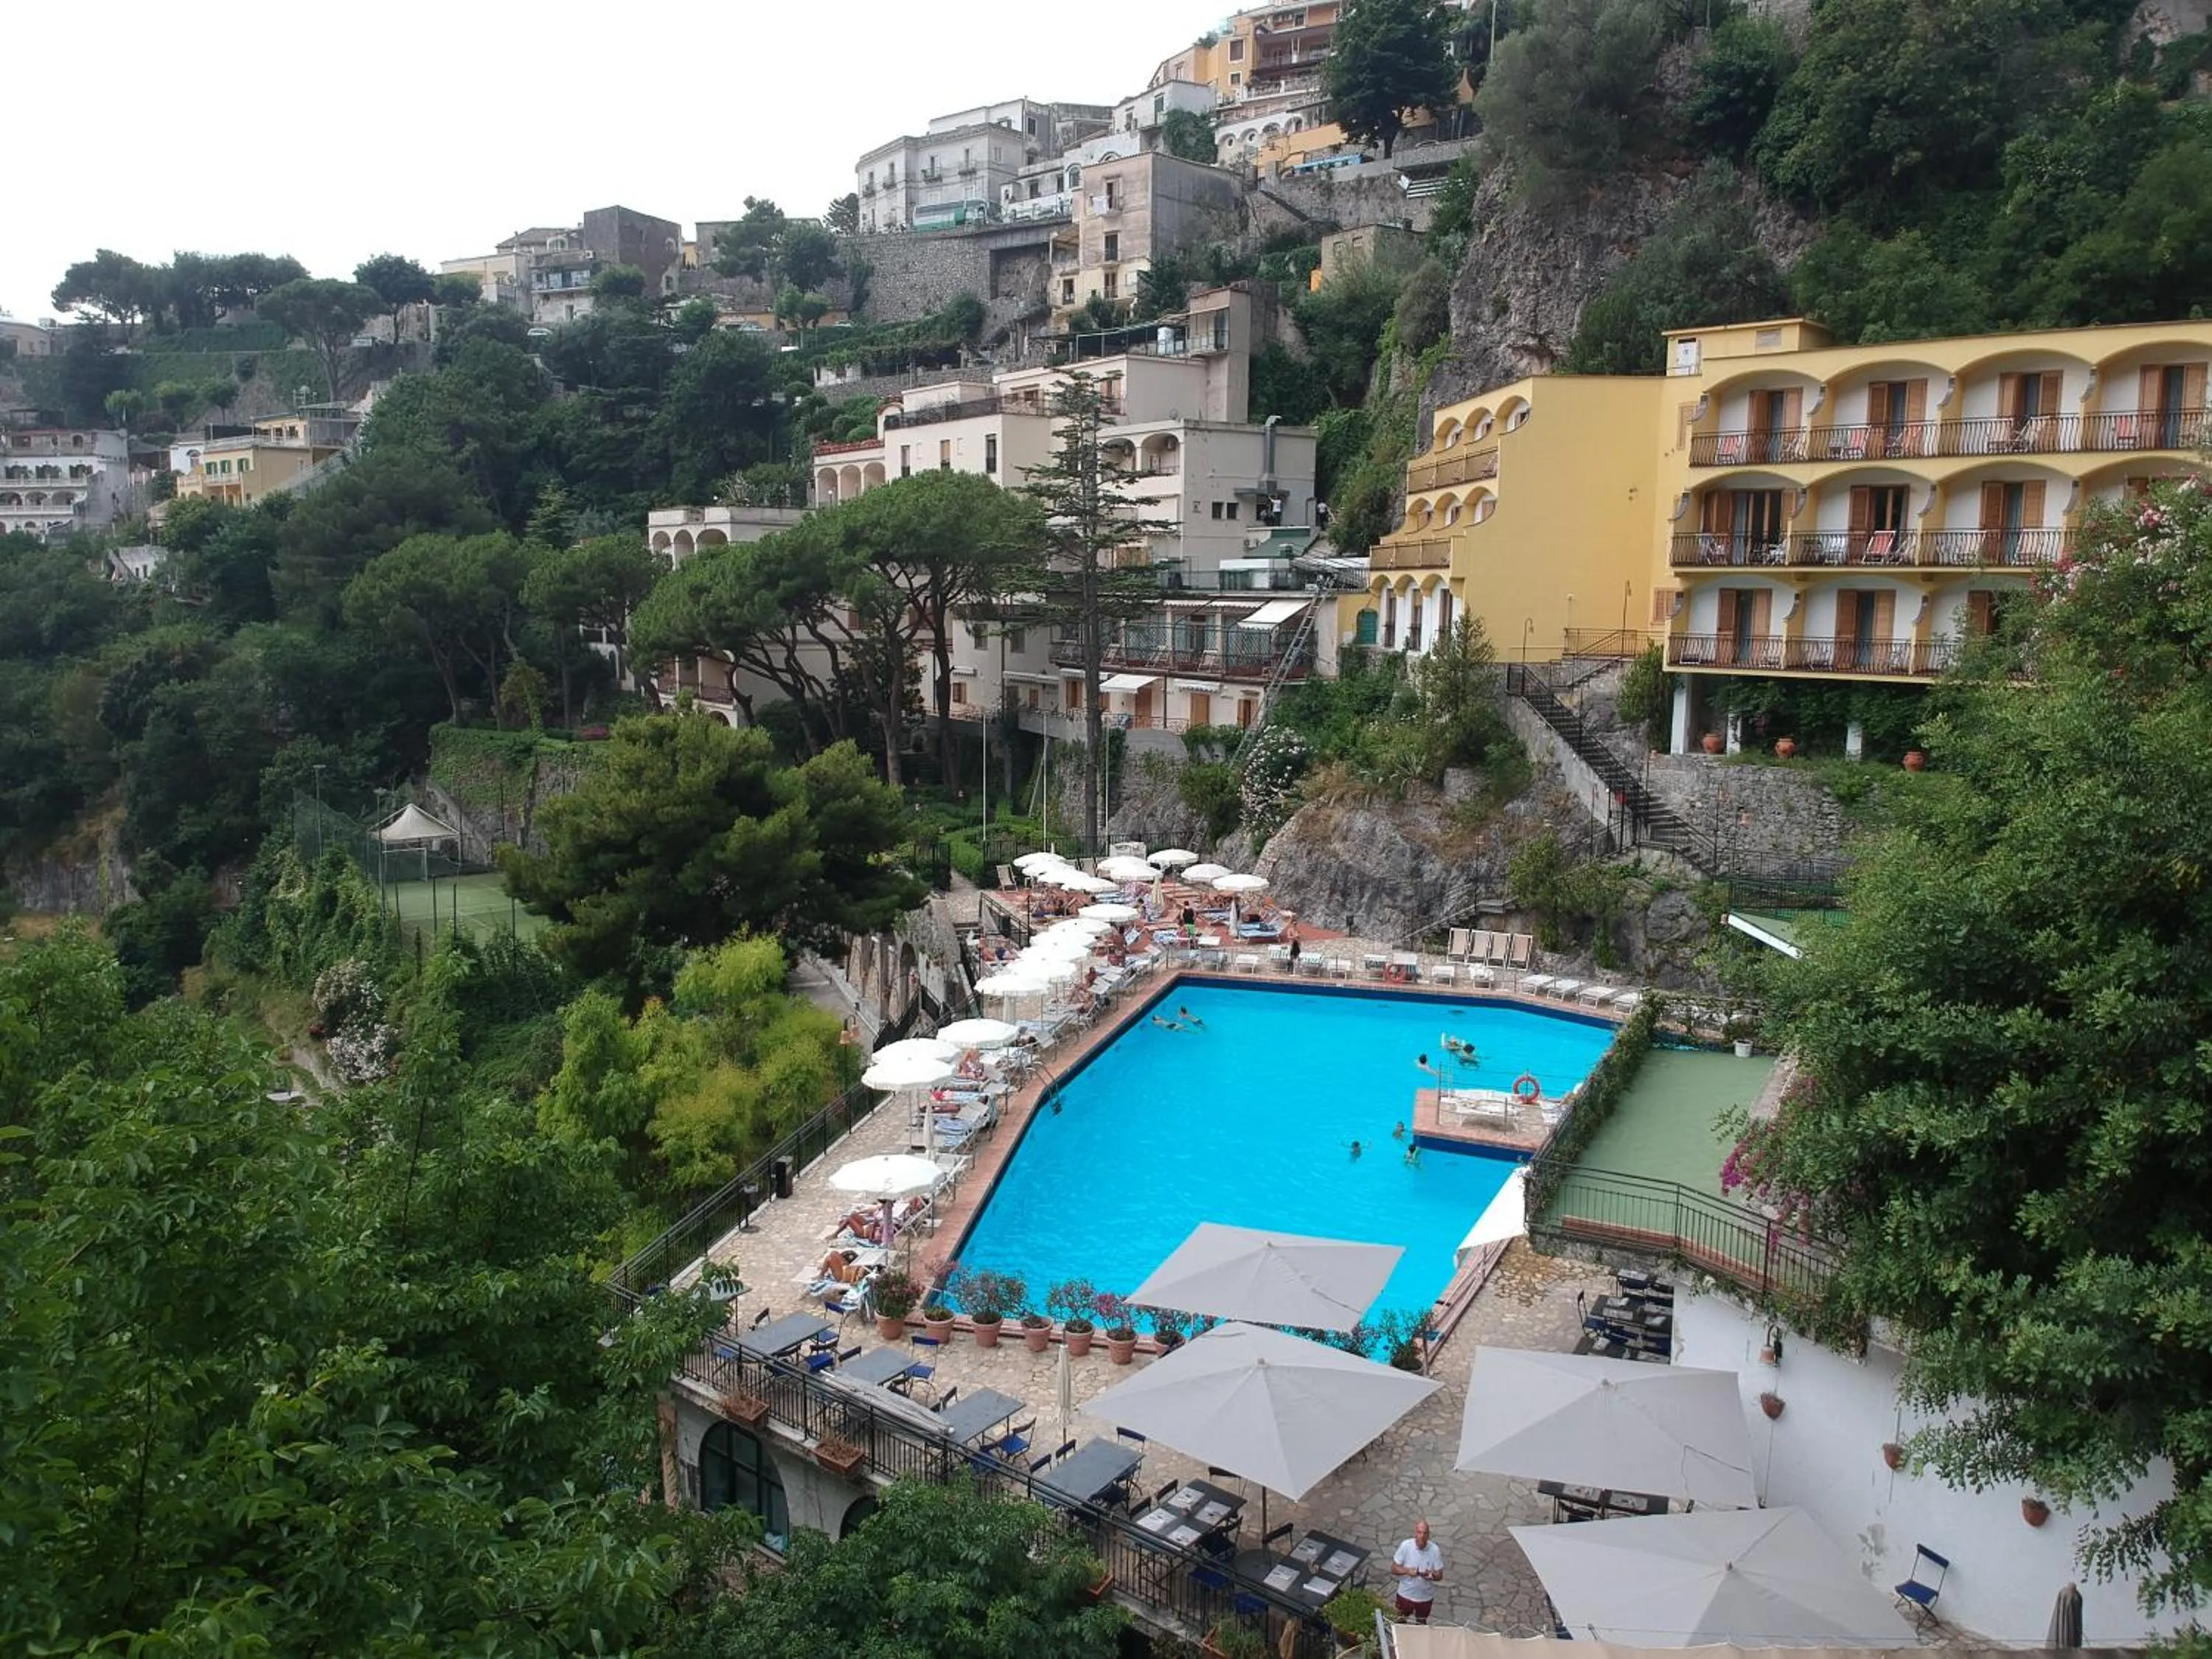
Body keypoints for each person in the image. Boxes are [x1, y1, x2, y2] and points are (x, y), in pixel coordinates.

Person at [1391, 1519, 1443, 1624]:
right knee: (1400, 1620)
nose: (1422, 1536)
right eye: (1419, 1532)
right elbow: (1394, 1568)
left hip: (1425, 1597)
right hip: (1405, 1594)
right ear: (1415, 1533)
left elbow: (1440, 1575)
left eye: (1425, 1533)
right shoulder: (1406, 1546)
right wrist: (1407, 1571)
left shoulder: (1435, 1550)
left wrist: (1432, 1575)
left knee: (1421, 1622)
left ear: (1428, 1535)